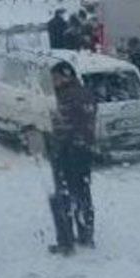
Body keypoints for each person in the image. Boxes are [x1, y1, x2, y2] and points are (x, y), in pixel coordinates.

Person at [46, 61, 96, 255]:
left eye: (56, 78)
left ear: (66, 76)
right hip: (84, 152)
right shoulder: (86, 93)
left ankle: (66, 242)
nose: (53, 82)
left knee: (63, 195)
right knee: (83, 192)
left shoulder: (64, 98)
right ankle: (86, 234)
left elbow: (60, 127)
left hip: (66, 153)